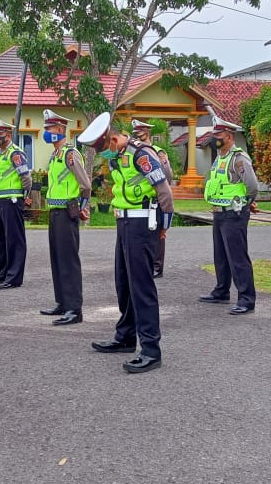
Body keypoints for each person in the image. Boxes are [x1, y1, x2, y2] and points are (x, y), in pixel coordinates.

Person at [81, 113, 174, 374]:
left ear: (112, 139)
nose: (101, 154)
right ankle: (125, 336)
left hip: (143, 223)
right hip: (124, 222)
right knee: (124, 283)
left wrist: (164, 225)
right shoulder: (118, 157)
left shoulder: (141, 154)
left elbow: (165, 190)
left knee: (142, 287)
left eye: (101, 148)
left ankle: (151, 350)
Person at [197, 114, 261, 315]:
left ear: (230, 136)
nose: (215, 139)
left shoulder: (238, 158)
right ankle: (221, 291)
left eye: (219, 135)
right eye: (214, 135)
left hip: (234, 213)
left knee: (237, 257)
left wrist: (246, 204)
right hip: (219, 212)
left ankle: (246, 299)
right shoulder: (220, 158)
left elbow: (252, 186)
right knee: (221, 255)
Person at [39, 109, 92, 326]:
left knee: (68, 261)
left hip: (67, 213)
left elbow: (85, 185)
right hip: (55, 212)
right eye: (46, 128)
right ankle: (62, 302)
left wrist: (83, 207)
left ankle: (74, 309)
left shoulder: (71, 154)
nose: (46, 132)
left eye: (50, 128)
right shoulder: (55, 155)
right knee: (57, 259)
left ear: (60, 129)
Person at [0, 118, 32, 290]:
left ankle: (14, 277)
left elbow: (26, 178)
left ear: (9, 135)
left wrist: (24, 197)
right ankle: (3, 273)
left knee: (14, 240)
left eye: (0, 134)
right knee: (1, 239)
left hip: (12, 200)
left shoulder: (15, 153)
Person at [131, 119, 172, 277]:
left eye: (139, 134)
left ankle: (157, 266)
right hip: (140, 199)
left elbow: (167, 175)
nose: (136, 137)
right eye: (135, 134)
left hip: (155, 197)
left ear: (147, 133)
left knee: (158, 233)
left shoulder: (158, 152)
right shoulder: (132, 151)